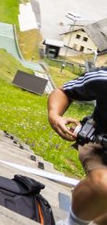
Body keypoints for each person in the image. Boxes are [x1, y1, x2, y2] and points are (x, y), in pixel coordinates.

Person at [47, 69, 107, 225]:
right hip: (99, 145)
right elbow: (64, 92)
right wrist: (55, 115)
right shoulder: (103, 79)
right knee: (104, 184)